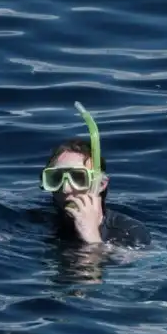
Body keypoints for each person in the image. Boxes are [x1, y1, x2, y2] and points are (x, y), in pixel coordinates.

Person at [42, 104, 151, 249]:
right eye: (55, 178)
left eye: (79, 178)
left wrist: (92, 238)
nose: (66, 188)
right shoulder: (42, 223)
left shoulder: (130, 233)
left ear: (101, 184)